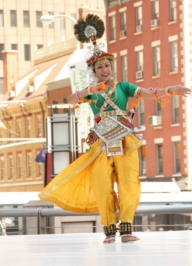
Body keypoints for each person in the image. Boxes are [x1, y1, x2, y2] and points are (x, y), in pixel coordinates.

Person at [39, 14, 191, 243]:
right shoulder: (92, 90)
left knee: (129, 183)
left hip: (125, 139)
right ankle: (109, 230)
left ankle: (127, 229)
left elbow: (147, 93)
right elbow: (71, 99)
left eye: (107, 65)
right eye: (99, 66)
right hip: (101, 142)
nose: (104, 69)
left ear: (112, 67)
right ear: (94, 70)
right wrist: (89, 91)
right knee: (103, 185)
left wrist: (171, 90)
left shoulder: (123, 87)